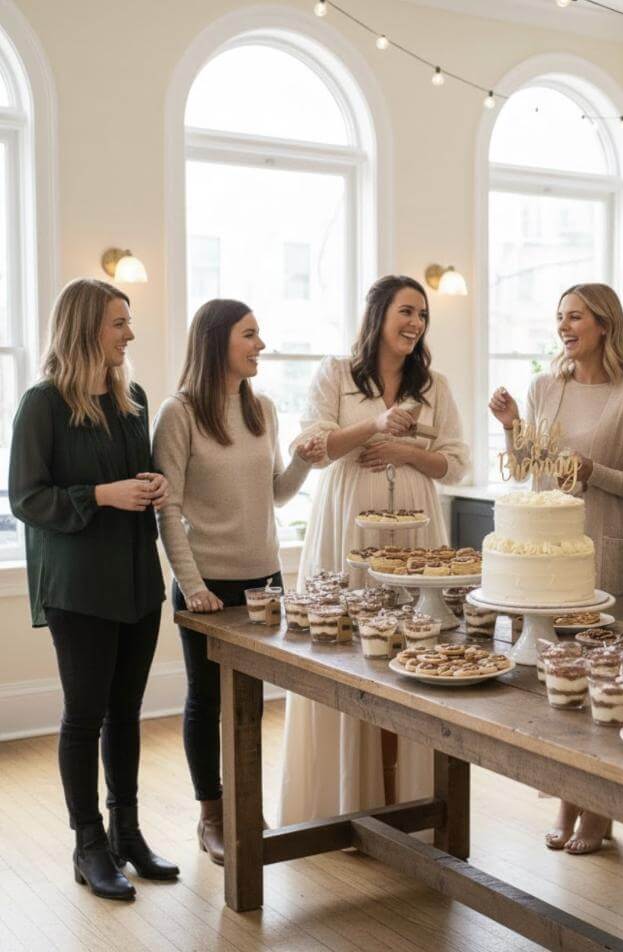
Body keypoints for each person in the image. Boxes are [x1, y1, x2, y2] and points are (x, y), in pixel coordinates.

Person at [278, 275, 470, 825]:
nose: (416, 323)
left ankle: (411, 799)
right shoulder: (336, 373)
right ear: (379, 314)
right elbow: (315, 450)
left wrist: (405, 451)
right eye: (406, 311)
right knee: (349, 648)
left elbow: (456, 464)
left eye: (423, 315)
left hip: (415, 530)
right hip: (347, 527)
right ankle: (345, 800)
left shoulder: (434, 385)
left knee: (412, 646)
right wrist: (374, 425)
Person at [8, 278, 176, 901]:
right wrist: (102, 495)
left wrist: (153, 484)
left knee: (126, 713)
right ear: (85, 328)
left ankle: (127, 834)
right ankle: (89, 844)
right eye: (118, 322)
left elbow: (137, 475)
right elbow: (26, 498)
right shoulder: (42, 404)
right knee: (85, 716)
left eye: (128, 321)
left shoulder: (133, 398)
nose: (130, 333)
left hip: (137, 580)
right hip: (78, 587)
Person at [152, 299, 324, 865]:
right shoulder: (178, 414)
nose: (261, 345)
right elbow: (167, 509)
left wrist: (302, 460)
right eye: (250, 334)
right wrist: (192, 585)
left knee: (251, 700)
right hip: (207, 585)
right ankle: (212, 814)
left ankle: (245, 804)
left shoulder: (263, 409)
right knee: (207, 701)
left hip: (264, 581)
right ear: (217, 341)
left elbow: (276, 493)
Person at [489, 282, 623, 855]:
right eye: (560, 316)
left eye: (576, 317)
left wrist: (594, 472)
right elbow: (524, 470)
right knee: (555, 688)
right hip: (544, 563)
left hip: (601, 557)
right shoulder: (545, 387)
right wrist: (512, 424)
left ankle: (600, 811)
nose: (564, 327)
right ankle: (567, 799)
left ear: (604, 324)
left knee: (600, 688)